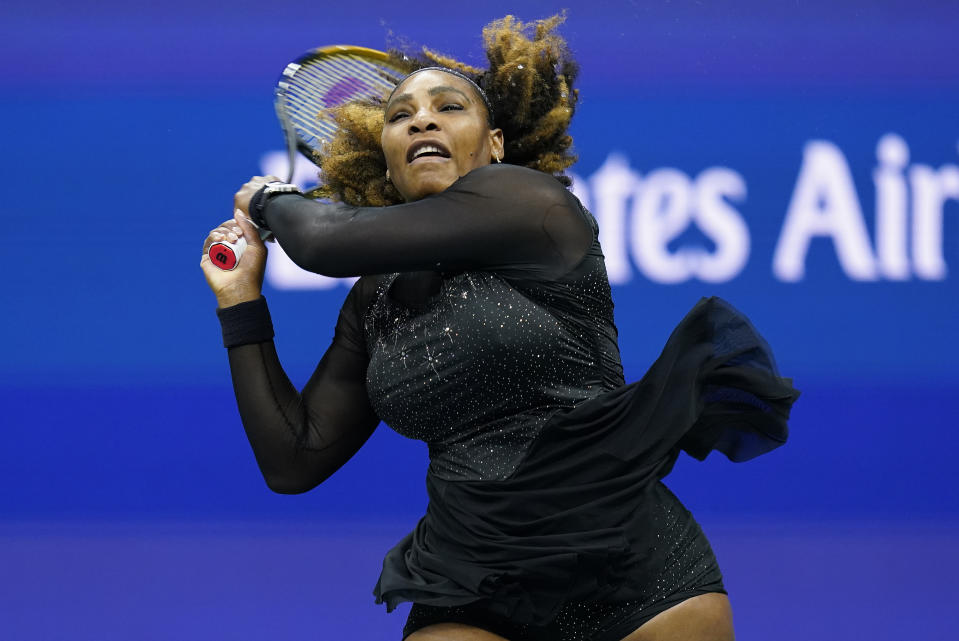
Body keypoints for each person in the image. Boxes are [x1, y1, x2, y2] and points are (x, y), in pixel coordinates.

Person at [200, 15, 799, 641]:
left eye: (449, 107)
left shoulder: (534, 206)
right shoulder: (374, 299)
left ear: (495, 148)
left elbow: (321, 240)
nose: (422, 120)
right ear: (387, 160)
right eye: (400, 116)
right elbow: (294, 459)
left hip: (631, 569)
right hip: (468, 582)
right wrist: (240, 304)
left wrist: (268, 197)